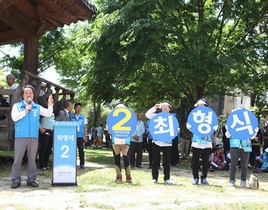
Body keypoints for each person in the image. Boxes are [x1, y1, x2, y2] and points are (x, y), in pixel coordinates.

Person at [10, 85, 53, 189]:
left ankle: (31, 179)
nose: (28, 95)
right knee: (18, 159)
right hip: (21, 136)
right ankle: (16, 179)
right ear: (23, 95)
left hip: (33, 137)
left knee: (32, 159)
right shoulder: (17, 106)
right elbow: (14, 118)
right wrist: (25, 111)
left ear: (33, 95)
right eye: (26, 93)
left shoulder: (37, 107)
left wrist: (50, 105)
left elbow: (47, 113)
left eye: (30, 93)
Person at [145, 100, 174, 185]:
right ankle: (154, 178)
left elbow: (175, 128)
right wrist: (155, 107)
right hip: (157, 141)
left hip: (167, 142)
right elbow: (147, 115)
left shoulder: (172, 118)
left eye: (166, 107)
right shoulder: (156, 116)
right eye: (163, 107)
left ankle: (167, 178)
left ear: (169, 108)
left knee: (166, 161)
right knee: (155, 161)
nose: (164, 108)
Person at [190, 99, 215, 185]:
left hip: (207, 142)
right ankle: (195, 177)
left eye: (202, 105)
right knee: (195, 161)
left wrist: (213, 138)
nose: (200, 106)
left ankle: (204, 177)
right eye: (199, 105)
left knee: (205, 161)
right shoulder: (193, 115)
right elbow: (189, 126)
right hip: (196, 141)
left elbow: (213, 127)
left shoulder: (210, 115)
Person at [111, 101, 132, 183]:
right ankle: (127, 176)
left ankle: (120, 176)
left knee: (120, 158)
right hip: (121, 139)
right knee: (125, 158)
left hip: (122, 139)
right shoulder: (129, 117)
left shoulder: (113, 117)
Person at [39, 96, 55, 171]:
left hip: (51, 132)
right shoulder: (43, 111)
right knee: (43, 148)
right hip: (44, 131)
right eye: (49, 102)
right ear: (46, 102)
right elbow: (37, 120)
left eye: (52, 102)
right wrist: (40, 128)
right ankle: (42, 165)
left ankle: (46, 164)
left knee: (49, 149)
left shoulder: (54, 112)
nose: (51, 103)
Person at [71, 103, 88, 169]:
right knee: (72, 150)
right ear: (74, 108)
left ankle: (82, 164)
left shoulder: (83, 117)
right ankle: (72, 163)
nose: (79, 109)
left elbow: (85, 127)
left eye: (80, 107)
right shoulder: (71, 116)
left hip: (80, 136)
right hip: (72, 136)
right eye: (77, 107)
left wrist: (85, 136)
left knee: (81, 150)